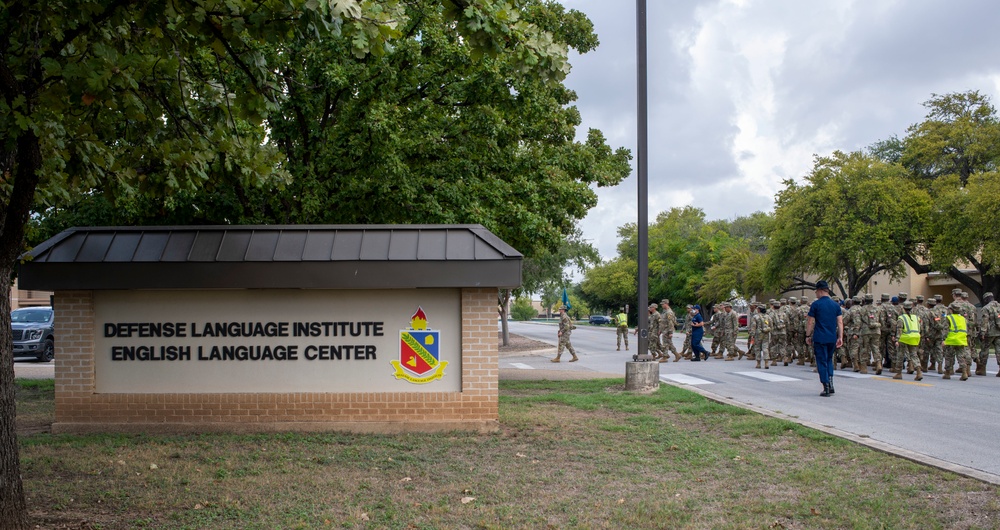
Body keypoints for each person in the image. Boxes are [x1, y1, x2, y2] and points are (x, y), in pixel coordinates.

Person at [806, 280, 843, 397]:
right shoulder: (836, 305)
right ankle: (831, 383)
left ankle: (825, 386)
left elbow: (810, 321)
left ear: (821, 291)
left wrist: (807, 335)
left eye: (816, 291)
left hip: (820, 337)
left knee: (821, 361)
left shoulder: (816, 305)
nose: (816, 294)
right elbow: (840, 322)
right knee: (829, 360)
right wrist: (840, 336)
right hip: (832, 337)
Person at [893, 301, 923, 381]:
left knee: (900, 355)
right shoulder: (916, 317)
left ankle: (898, 373)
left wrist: (897, 340)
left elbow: (899, 330)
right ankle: (919, 371)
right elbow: (921, 328)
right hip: (915, 337)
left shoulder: (901, 318)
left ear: (903, 308)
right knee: (914, 354)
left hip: (905, 337)